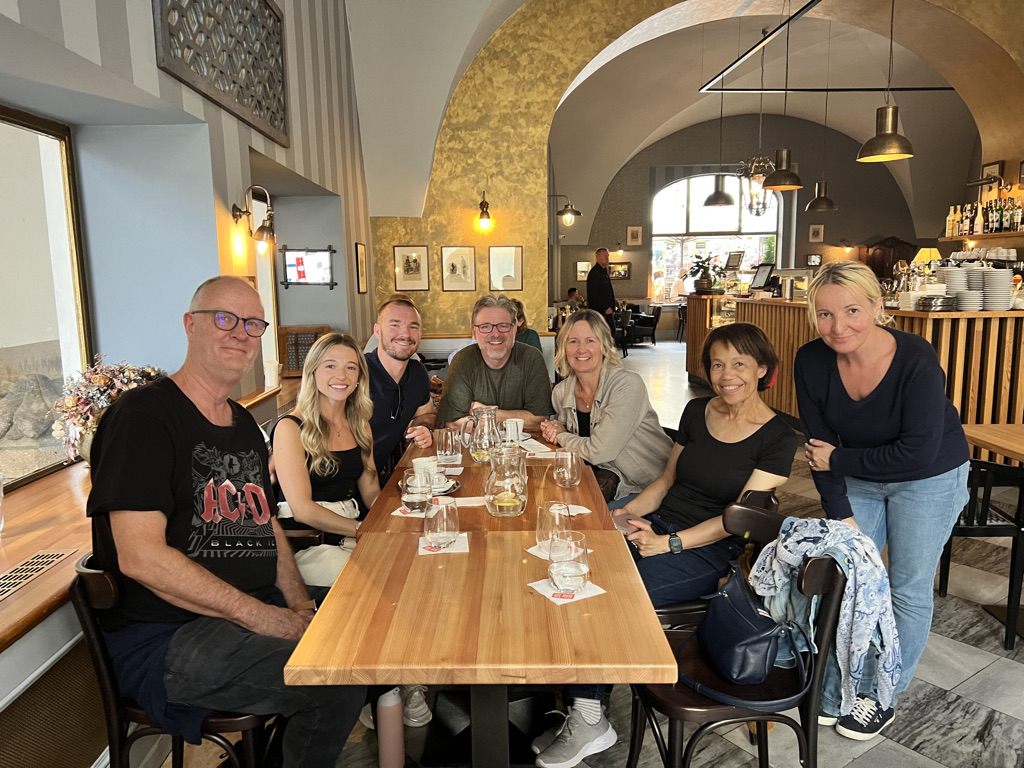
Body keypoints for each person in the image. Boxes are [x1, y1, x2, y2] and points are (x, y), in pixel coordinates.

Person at [85, 276, 365, 767]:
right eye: (224, 318)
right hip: (170, 636)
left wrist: (298, 602)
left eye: (253, 324)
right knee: (333, 679)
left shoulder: (241, 423)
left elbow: (265, 525)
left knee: (368, 632)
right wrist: (266, 618)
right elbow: (140, 556)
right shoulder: (143, 416)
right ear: (190, 325)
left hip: (250, 610)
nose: (240, 332)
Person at [533, 323, 796, 768]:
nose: (726, 374)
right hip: (658, 523)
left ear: (762, 369)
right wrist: (622, 515)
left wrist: (668, 543)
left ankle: (590, 716)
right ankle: (577, 700)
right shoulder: (697, 411)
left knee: (607, 593)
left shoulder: (778, 438)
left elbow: (736, 520)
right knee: (569, 562)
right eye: (717, 364)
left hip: (708, 550)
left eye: (739, 363)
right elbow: (667, 480)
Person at [795, 261, 969, 740]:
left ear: (877, 306)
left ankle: (881, 693)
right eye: (825, 314)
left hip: (929, 476)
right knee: (846, 581)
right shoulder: (811, 361)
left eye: (852, 310)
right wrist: (841, 512)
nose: (838, 326)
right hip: (859, 475)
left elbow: (917, 453)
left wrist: (840, 460)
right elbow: (817, 447)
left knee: (905, 588)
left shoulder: (915, 358)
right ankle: (837, 688)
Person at [539, 309, 671, 508]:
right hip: (599, 479)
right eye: (573, 341)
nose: (581, 350)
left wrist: (561, 436)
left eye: (590, 341)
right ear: (564, 348)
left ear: (604, 346)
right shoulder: (561, 392)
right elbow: (564, 438)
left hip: (646, 487)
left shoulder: (627, 385)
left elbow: (598, 452)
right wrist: (555, 428)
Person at [436, 294, 553, 431]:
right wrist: (518, 419)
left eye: (503, 326)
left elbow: (540, 420)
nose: (496, 334)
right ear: (474, 330)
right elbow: (453, 423)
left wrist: (489, 413)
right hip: (477, 445)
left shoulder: (532, 358)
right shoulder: (462, 360)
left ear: (515, 328)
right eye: (485, 326)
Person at [366, 297, 436, 483]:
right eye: (395, 325)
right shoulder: (357, 371)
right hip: (330, 485)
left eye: (413, 326)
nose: (405, 334)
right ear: (377, 331)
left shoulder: (418, 373)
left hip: (373, 480)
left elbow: (427, 414)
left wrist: (423, 427)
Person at [586, 247, 615, 330]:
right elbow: (594, 294)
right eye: (605, 256)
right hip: (599, 312)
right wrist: (605, 308)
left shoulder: (604, 272)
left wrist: (612, 307)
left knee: (611, 332)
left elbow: (609, 291)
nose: (607, 258)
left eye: (608, 256)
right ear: (598, 257)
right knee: (604, 333)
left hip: (608, 310)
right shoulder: (594, 273)